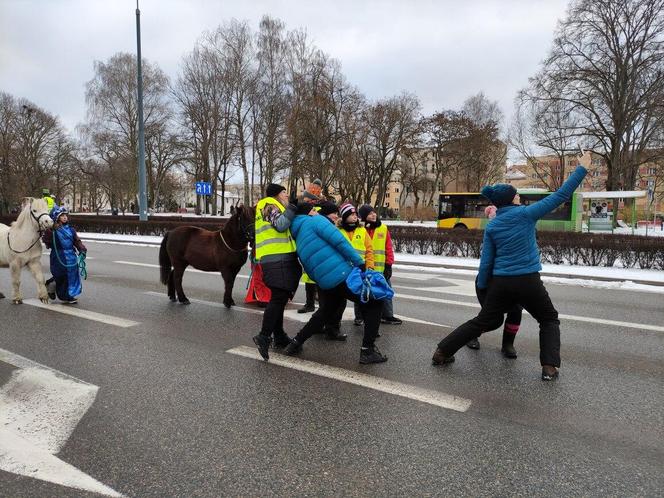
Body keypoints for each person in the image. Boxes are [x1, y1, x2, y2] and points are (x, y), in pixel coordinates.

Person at [432, 166, 588, 381]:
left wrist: (484, 287)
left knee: (482, 321)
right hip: (528, 280)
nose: (519, 196)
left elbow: (486, 262)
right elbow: (561, 194)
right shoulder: (527, 214)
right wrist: (582, 168)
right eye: (516, 194)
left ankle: (442, 352)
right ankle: (549, 367)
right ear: (512, 199)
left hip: (501, 282)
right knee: (548, 318)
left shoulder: (493, 225)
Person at [284, 201, 387, 364]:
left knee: (325, 312)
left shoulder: (297, 234)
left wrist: (321, 282)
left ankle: (296, 342)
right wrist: (360, 263)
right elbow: (340, 242)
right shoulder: (316, 221)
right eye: (313, 210)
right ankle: (367, 350)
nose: (317, 212)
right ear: (308, 213)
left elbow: (307, 265)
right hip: (341, 273)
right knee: (375, 302)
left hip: (325, 282)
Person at [252, 183, 303, 360]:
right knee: (278, 298)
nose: (287, 195)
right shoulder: (267, 204)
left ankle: (279, 336)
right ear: (276, 194)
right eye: (284, 192)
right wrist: (293, 208)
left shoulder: (275, 205)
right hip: (275, 258)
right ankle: (264, 336)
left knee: (280, 298)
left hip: (279, 257)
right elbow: (280, 225)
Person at [466, 204, 522, 357]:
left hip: (515, 280)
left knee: (516, 310)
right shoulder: (494, 233)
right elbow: (486, 263)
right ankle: (471, 334)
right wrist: (483, 284)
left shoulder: (521, 228)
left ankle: (508, 344)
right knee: (492, 317)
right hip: (491, 280)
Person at [357, 204, 402, 325]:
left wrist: (389, 265)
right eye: (370, 213)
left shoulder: (383, 228)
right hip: (364, 268)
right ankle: (360, 316)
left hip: (381, 269)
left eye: (374, 212)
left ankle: (387, 315)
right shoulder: (360, 229)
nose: (373, 215)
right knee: (362, 292)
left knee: (386, 291)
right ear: (364, 217)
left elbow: (388, 248)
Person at [42, 206, 87, 304]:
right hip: (58, 255)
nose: (65, 217)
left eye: (65, 215)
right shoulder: (52, 231)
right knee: (61, 274)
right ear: (56, 217)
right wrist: (49, 231)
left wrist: (82, 249)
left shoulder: (71, 230)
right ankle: (55, 287)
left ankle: (67, 295)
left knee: (71, 276)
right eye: (62, 216)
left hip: (71, 256)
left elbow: (77, 241)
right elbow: (46, 242)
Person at [297, 186, 323, 314]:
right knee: (308, 279)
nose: (304, 199)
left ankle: (322, 305)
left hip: (317, 248)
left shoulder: (318, 211)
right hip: (308, 248)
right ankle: (309, 304)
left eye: (306, 197)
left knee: (319, 277)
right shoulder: (303, 209)